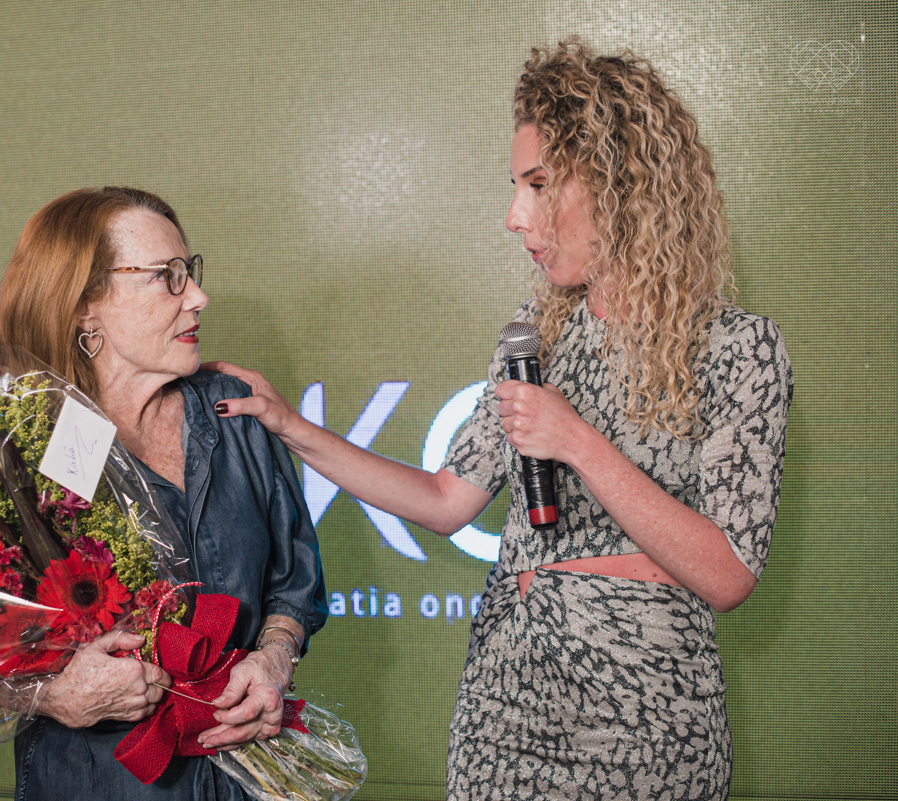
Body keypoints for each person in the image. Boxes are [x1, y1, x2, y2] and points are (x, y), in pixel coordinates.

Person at [207, 39, 792, 800]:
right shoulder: (535, 335)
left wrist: (575, 441)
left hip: (647, 729)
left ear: (622, 183)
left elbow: (728, 572)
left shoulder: (741, 348)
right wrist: (291, 425)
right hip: (503, 715)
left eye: (539, 184)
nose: (516, 216)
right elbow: (448, 500)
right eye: (515, 185)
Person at [0, 187, 328, 800]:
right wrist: (52, 694)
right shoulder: (30, 449)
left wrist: (274, 659)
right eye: (166, 278)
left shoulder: (235, 411)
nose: (198, 296)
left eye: (189, 272)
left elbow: (294, 583)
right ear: (85, 307)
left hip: (246, 779)